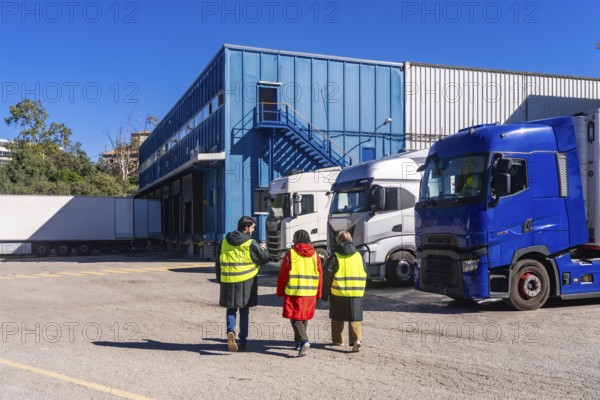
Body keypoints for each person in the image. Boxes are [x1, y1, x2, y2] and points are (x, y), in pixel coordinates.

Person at [216, 216, 269, 352]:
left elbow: (218, 262)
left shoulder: (224, 241)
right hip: (246, 281)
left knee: (231, 308)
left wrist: (220, 279)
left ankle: (230, 330)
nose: (253, 230)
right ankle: (243, 341)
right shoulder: (250, 242)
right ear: (246, 228)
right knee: (244, 311)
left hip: (228, 280)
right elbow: (263, 258)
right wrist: (263, 249)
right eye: (252, 227)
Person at [276, 230, 322, 357]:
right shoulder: (315, 255)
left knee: (295, 318)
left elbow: (283, 274)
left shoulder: (291, 253)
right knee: (303, 317)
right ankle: (298, 343)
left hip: (294, 291)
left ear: (296, 239)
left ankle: (304, 341)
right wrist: (319, 292)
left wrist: (280, 290)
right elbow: (320, 275)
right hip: (310, 292)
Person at [322, 230, 366, 353]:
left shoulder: (335, 256)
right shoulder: (359, 256)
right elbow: (364, 271)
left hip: (339, 292)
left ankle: (338, 340)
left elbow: (327, 276)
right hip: (356, 292)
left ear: (338, 241)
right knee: (354, 317)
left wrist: (324, 293)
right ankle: (357, 340)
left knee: (337, 317)